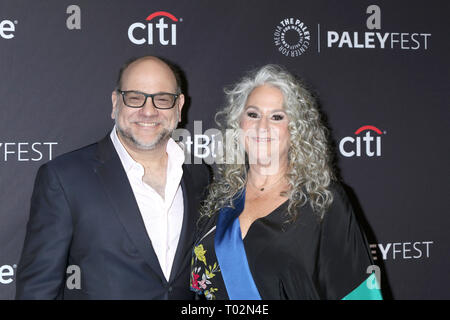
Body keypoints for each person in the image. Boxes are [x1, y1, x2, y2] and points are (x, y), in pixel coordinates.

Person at [16, 56, 210, 299]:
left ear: (179, 106)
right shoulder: (65, 179)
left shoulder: (197, 173)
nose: (148, 111)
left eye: (162, 99)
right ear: (115, 102)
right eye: (135, 97)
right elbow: (37, 290)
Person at [190, 65, 382, 300]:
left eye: (277, 117)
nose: (262, 126)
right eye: (253, 114)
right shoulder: (219, 200)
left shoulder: (322, 201)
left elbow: (358, 295)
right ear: (238, 124)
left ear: (295, 130)